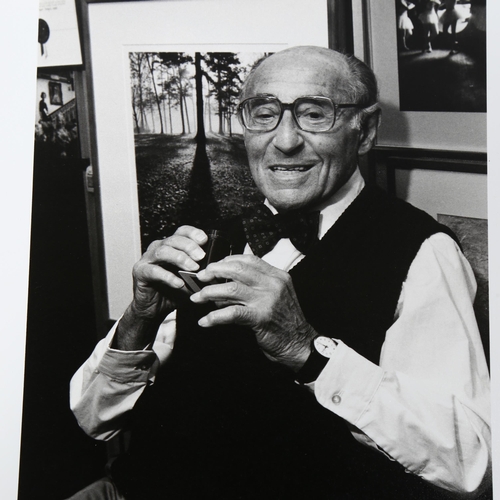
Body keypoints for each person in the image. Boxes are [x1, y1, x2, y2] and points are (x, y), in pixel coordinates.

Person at [68, 46, 490, 499]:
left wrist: (306, 350)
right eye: (264, 113)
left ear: (364, 130)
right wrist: (139, 318)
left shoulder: (424, 253)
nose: (285, 140)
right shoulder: (210, 239)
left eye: (314, 114)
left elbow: (470, 460)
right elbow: (94, 419)